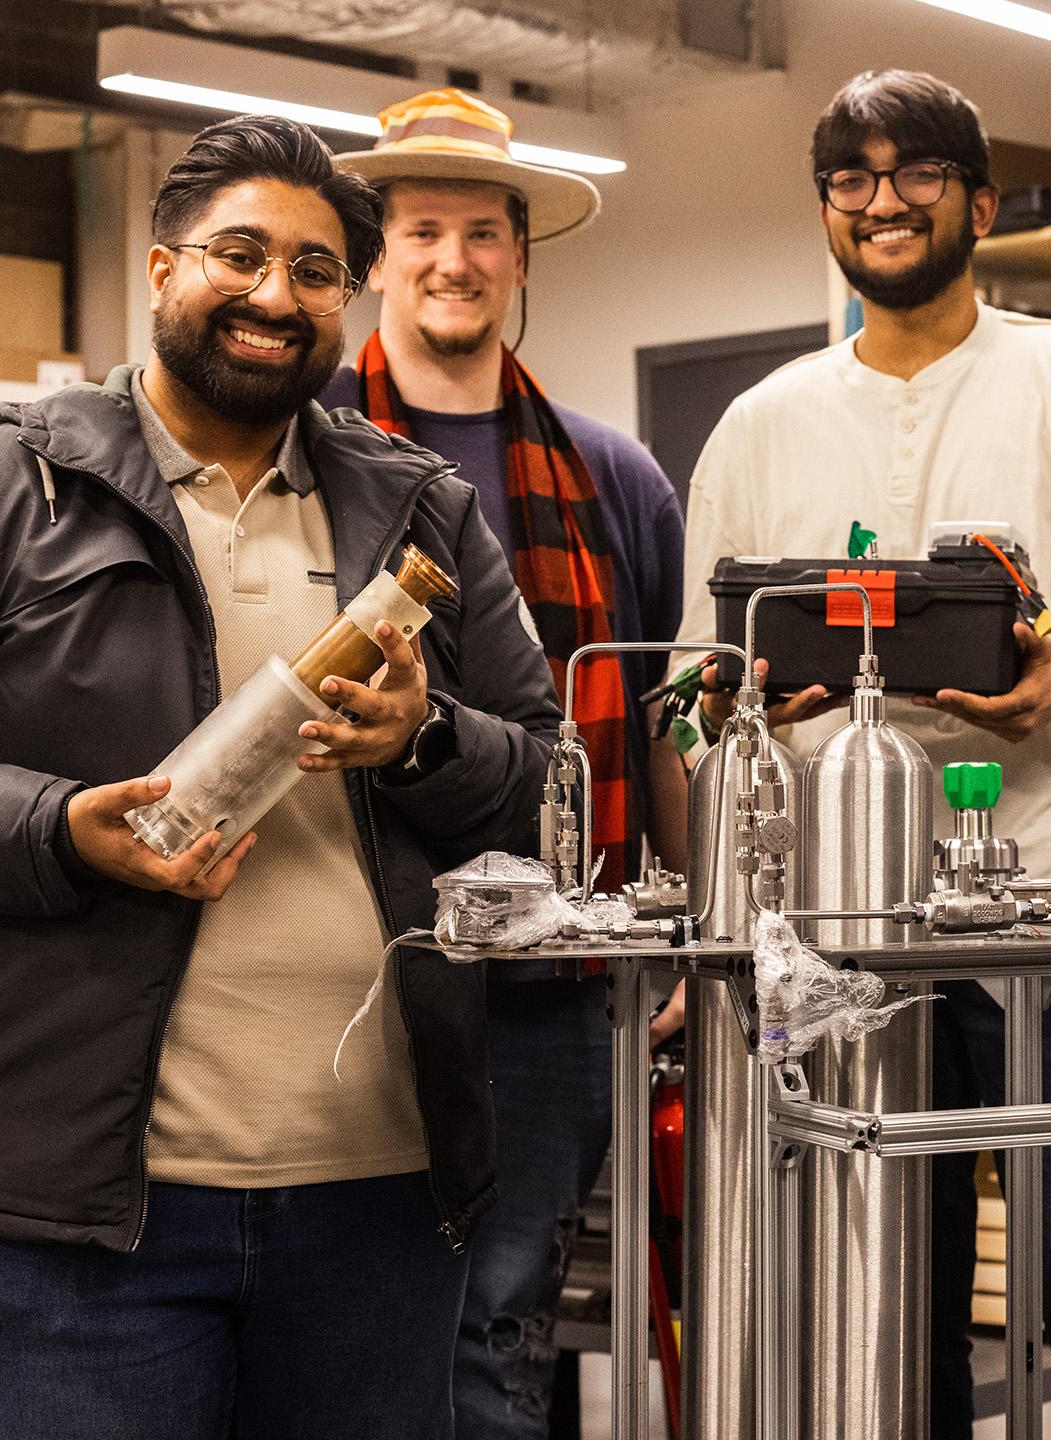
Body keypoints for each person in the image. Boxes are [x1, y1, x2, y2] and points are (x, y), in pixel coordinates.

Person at [0, 115, 561, 1439]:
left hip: (380, 1191)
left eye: (316, 270)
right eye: (237, 253)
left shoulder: (422, 512)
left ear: (345, 303)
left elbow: (542, 779)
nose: (273, 292)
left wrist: (426, 741)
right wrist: (61, 831)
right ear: (157, 267)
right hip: (81, 1211)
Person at [677, 68, 1051, 1440]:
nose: (883, 201)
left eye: (917, 171)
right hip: (839, 924)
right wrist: (743, 700)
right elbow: (697, 683)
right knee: (875, 1285)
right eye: (851, 177)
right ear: (826, 209)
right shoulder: (761, 422)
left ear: (979, 202)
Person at [322, 88, 687, 1439]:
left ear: (522, 256)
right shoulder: (292, 450)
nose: (453, 260)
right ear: (379, 250)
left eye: (483, 231)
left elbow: (652, 723)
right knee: (340, 1312)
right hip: (339, 957)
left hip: (551, 978)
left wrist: (675, 929)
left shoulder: (612, 479)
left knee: (501, 1329)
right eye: (421, 229)